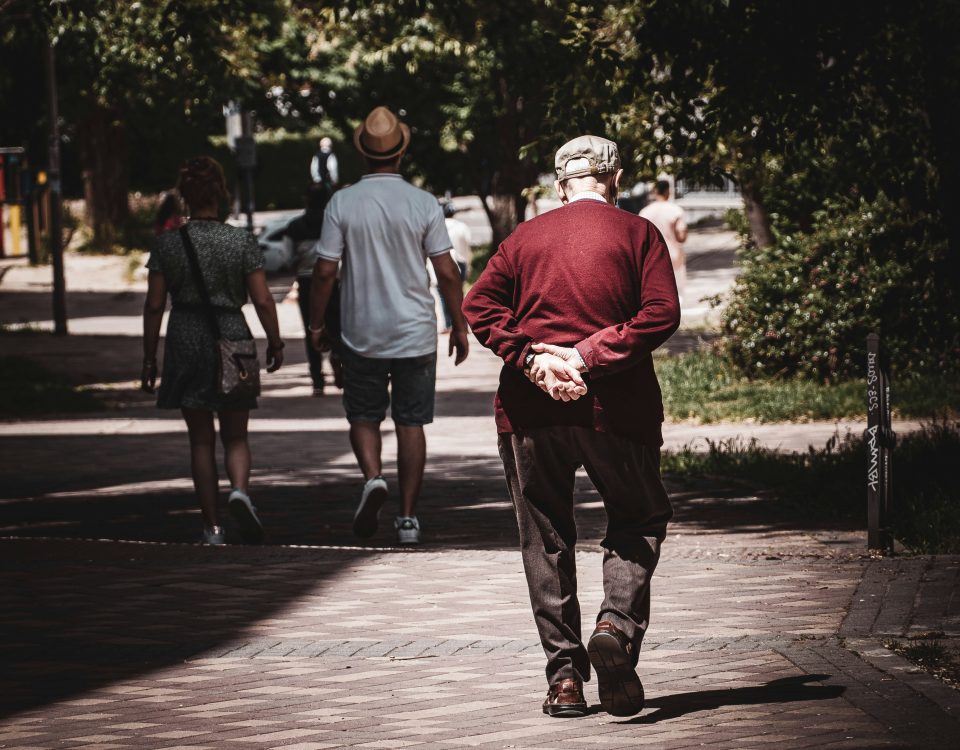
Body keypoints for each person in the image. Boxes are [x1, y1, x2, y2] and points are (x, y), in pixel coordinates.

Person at [463, 135, 680, 718]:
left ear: (560, 186)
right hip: (619, 412)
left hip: (530, 414)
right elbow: (661, 312)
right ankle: (616, 625)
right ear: (615, 180)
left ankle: (564, 681)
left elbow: (478, 308)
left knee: (545, 538)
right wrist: (587, 355)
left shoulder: (521, 238)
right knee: (640, 516)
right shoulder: (639, 234)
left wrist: (534, 358)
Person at [308, 106, 469, 545]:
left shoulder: (342, 202)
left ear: (363, 154)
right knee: (411, 423)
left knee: (363, 415)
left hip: (361, 333)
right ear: (401, 152)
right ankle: (409, 519)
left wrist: (316, 324)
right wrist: (459, 325)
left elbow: (324, 272)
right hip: (416, 331)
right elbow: (449, 272)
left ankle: (374, 478)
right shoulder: (422, 203)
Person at [141, 156, 285, 546]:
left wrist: (149, 356)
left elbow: (155, 304)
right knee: (236, 436)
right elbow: (262, 299)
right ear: (221, 194)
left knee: (200, 440)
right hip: (231, 335)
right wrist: (274, 341)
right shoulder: (240, 240)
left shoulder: (167, 243)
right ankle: (239, 490)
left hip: (186, 335)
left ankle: (213, 528)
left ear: (184, 196)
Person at [283, 184, 342, 396]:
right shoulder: (335, 223)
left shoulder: (295, 226)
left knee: (312, 328)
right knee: (337, 325)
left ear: (305, 200)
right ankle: (338, 357)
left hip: (307, 282)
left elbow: (287, 258)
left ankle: (317, 379)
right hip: (334, 280)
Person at [639, 179, 688, 304]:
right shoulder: (675, 210)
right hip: (673, 255)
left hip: (651, 257)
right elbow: (681, 235)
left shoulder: (645, 212)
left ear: (655, 192)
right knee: (677, 293)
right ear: (668, 191)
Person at [434, 201, 472, 332]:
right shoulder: (462, 227)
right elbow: (467, 248)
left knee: (442, 293)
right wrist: (468, 264)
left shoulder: (437, 227)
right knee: (459, 293)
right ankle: (462, 323)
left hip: (442, 261)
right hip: (461, 262)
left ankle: (449, 323)